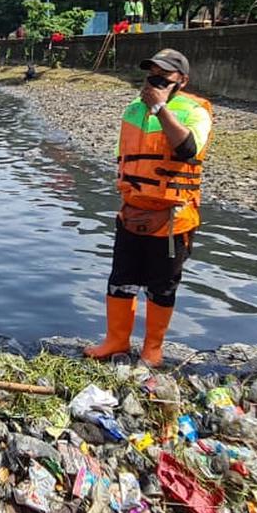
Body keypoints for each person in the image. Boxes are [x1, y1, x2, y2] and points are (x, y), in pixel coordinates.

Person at [85, 49, 212, 367]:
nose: (154, 81)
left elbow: (187, 150)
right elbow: (123, 157)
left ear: (181, 80)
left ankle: (152, 348)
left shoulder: (194, 111)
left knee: (162, 286)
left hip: (172, 218)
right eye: (150, 74)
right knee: (120, 280)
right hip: (133, 212)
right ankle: (116, 341)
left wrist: (160, 108)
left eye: (163, 76)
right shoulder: (132, 110)